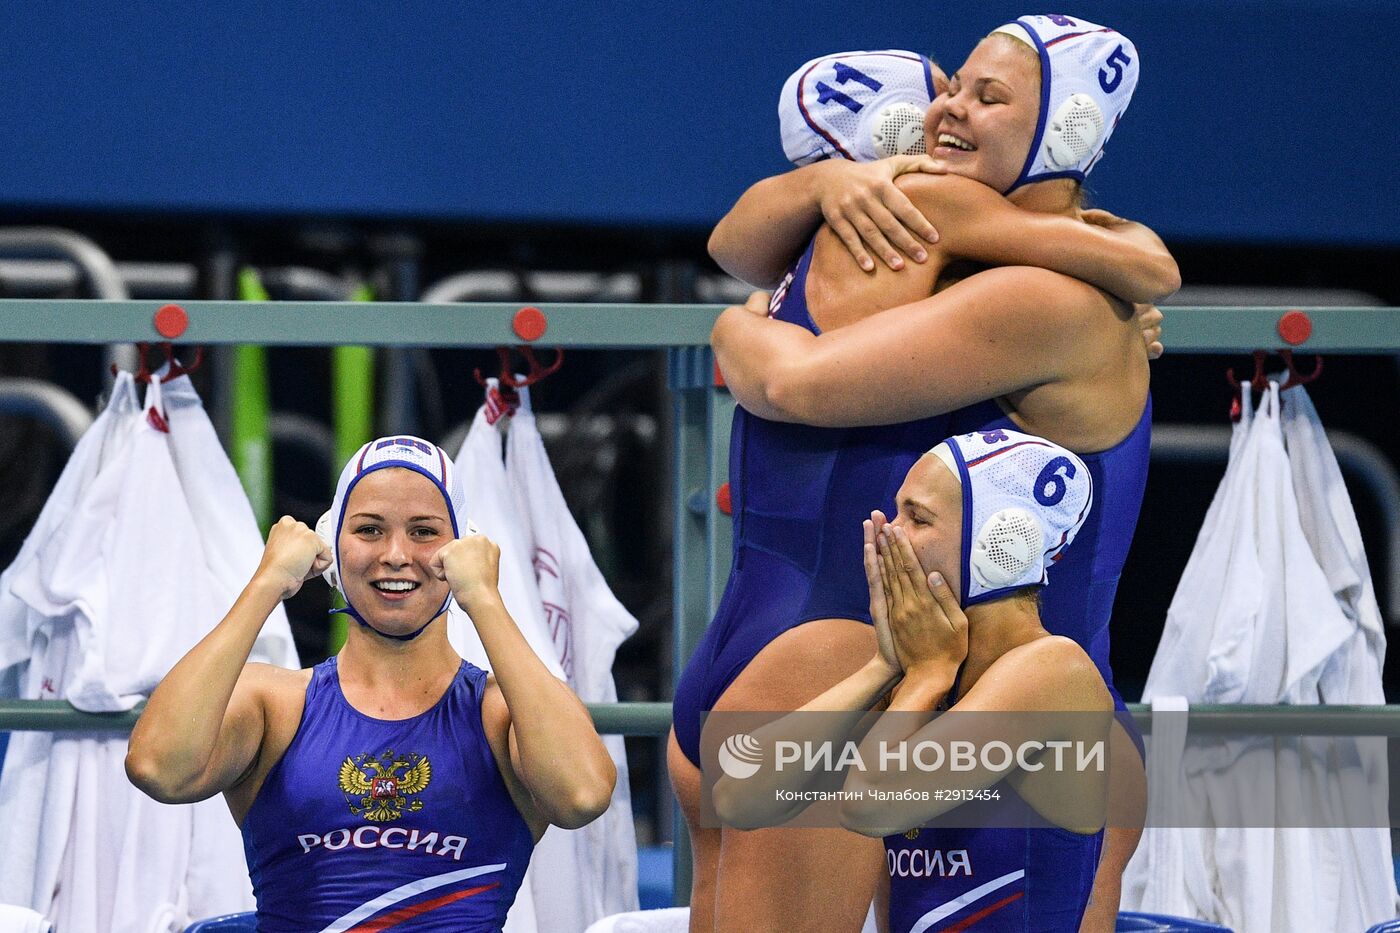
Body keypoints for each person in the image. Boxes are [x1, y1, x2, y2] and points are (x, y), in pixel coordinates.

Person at [672, 16, 1165, 932]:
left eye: (985, 93)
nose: (945, 108)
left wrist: (739, 322)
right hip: (907, 679)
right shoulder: (963, 255)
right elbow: (784, 362)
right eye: (947, 88)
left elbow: (757, 298)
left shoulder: (976, 272)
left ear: (1064, 129)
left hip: (841, 671)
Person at [126, 436, 616, 931]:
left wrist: (485, 600)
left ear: (462, 551)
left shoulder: (502, 714)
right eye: (369, 530)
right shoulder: (274, 707)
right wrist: (265, 584)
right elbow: (159, 769)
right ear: (333, 546)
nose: (396, 554)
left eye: (424, 532)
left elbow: (581, 797)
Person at [712, 429, 1111, 931]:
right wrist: (885, 667)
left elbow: (868, 805)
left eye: (917, 518)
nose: (887, 534)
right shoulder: (924, 678)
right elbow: (738, 798)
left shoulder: (1055, 672)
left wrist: (923, 674)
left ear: (1001, 544)